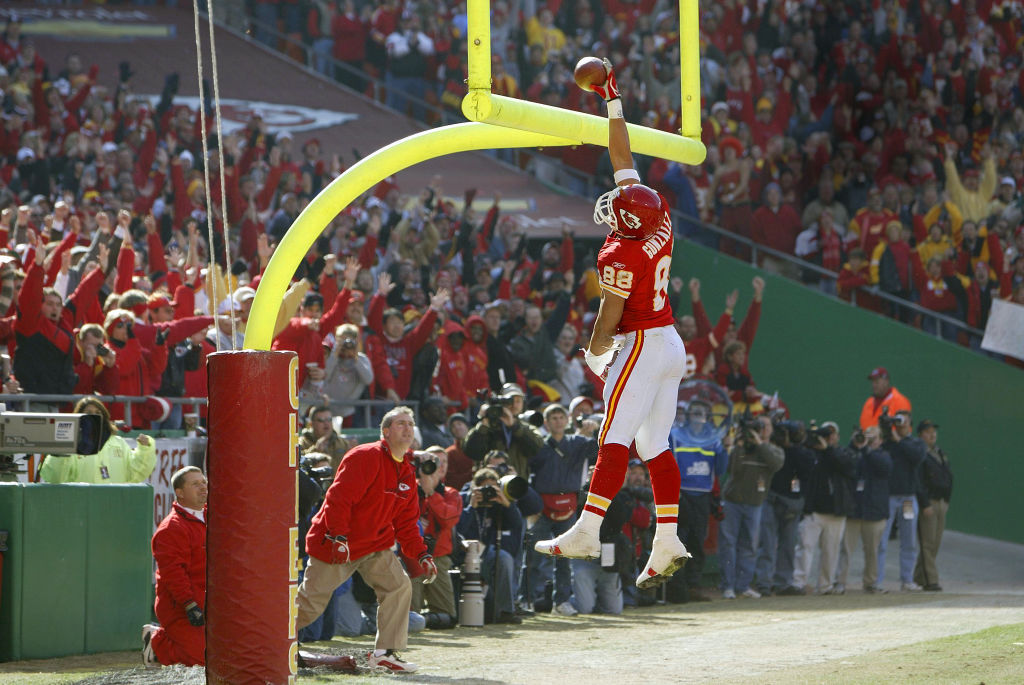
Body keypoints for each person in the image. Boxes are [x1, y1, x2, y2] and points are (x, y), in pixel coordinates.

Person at [535, 58, 690, 591]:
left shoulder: (619, 252)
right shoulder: (658, 212)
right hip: (670, 342)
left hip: (641, 342)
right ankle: (667, 540)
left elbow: (609, 315)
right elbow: (624, 159)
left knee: (613, 438)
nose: (612, 206)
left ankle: (587, 529)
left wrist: (596, 352)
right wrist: (613, 101)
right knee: (656, 445)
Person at [295, 406, 437, 674]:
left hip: (374, 545)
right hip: (337, 542)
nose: (407, 428)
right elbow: (338, 499)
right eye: (400, 424)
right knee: (311, 603)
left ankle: (385, 654)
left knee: (398, 586)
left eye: (410, 424)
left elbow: (407, 522)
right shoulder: (365, 456)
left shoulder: (407, 471)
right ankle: (270, 639)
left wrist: (421, 554)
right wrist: (338, 536)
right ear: (385, 432)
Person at [526, 403, 598, 615]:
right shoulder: (539, 444)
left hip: (568, 504)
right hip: (541, 505)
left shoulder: (579, 442)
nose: (558, 421)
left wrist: (593, 430)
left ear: (567, 420)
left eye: (561, 417)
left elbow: (598, 450)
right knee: (533, 556)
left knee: (565, 557)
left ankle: (562, 601)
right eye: (553, 418)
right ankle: (525, 599)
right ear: (546, 423)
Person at [142, 466, 208, 667]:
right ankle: (157, 643)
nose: (203, 487)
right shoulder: (172, 528)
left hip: (211, 601)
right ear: (180, 493)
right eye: (195, 484)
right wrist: (189, 604)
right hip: (181, 606)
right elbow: (173, 573)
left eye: (204, 482)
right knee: (203, 658)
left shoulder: (215, 517)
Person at [667, 399, 728, 602]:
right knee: (679, 541)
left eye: (702, 413)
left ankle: (692, 586)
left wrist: (724, 448)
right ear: (688, 415)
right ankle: (677, 588)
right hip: (680, 495)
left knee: (697, 542)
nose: (698, 416)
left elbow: (720, 469)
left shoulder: (713, 439)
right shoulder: (675, 435)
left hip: (702, 496)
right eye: (694, 412)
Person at [719, 416, 784, 599]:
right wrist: (739, 445)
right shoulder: (741, 447)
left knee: (750, 546)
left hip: (755, 504)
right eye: (759, 426)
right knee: (728, 544)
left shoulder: (774, 450)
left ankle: (743, 586)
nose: (763, 429)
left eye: (766, 425)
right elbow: (733, 470)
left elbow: (775, 464)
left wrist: (760, 444)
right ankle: (728, 586)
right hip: (732, 502)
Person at [791, 423, 858, 595]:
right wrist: (813, 447)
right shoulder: (811, 454)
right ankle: (798, 583)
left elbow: (847, 466)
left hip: (836, 511)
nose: (830, 437)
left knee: (831, 551)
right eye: (826, 434)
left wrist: (827, 450)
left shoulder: (844, 453)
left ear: (838, 436)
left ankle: (825, 585)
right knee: (805, 547)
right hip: (814, 510)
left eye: (832, 434)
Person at [456, 467, 524, 624]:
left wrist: (506, 503)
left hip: (486, 554)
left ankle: (506, 611)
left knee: (504, 558)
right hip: (463, 553)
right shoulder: (462, 499)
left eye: (492, 489)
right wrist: (471, 507)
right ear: (475, 487)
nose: (488, 493)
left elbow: (516, 525)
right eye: (484, 489)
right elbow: (458, 530)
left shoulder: (496, 505)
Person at [39, 397, 155, 484]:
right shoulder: (70, 444)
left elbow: (135, 474)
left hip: (113, 504)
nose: (93, 416)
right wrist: (60, 453)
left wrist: (145, 450)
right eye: (88, 413)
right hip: (81, 505)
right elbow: (54, 478)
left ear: (104, 416)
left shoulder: (118, 443)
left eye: (98, 413)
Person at [836, 426, 891, 594]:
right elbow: (844, 464)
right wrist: (855, 445)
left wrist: (867, 450)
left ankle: (870, 583)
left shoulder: (883, 455)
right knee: (846, 549)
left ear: (880, 441)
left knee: (872, 551)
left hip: (874, 511)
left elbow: (884, 467)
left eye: (873, 439)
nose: (869, 441)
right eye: (867, 437)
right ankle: (839, 582)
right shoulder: (853, 452)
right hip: (854, 510)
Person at [877, 410, 927, 591]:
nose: (900, 424)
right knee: (881, 540)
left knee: (908, 540)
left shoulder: (916, 443)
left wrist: (899, 440)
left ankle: (907, 580)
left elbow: (917, 457)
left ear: (909, 425)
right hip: (889, 497)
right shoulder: (887, 443)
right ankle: (877, 581)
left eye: (903, 421)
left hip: (907, 499)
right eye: (897, 421)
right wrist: (885, 432)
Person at [412, 449, 461, 626]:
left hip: (438, 557)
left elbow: (448, 520)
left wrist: (431, 494)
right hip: (412, 557)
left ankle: (425, 620)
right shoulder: (409, 489)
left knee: (447, 617)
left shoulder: (451, 494)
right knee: (410, 612)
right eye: (434, 462)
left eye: (443, 462)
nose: (439, 467)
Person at [913, 420, 953, 592]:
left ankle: (919, 576)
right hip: (929, 502)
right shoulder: (919, 454)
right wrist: (924, 503)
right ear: (920, 435)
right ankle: (931, 580)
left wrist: (947, 500)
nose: (932, 434)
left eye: (933, 431)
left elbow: (949, 477)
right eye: (928, 431)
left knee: (935, 543)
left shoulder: (939, 453)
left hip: (941, 502)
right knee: (927, 543)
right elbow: (918, 481)